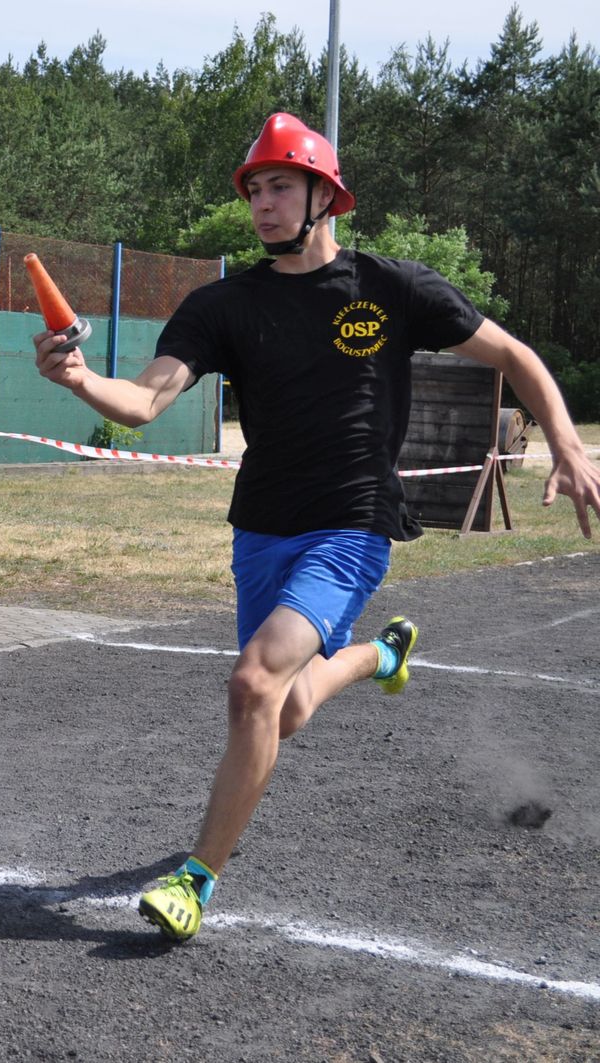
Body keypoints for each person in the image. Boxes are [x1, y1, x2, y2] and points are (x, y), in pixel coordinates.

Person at [34, 112, 600, 942]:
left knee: (253, 685)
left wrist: (567, 445)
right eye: (254, 190)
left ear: (324, 197)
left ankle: (194, 881)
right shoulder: (223, 305)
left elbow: (516, 356)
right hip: (263, 527)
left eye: (279, 187)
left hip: (353, 522)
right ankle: (381, 655)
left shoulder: (392, 287)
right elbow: (146, 400)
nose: (262, 205)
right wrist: (81, 379)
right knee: (286, 707)